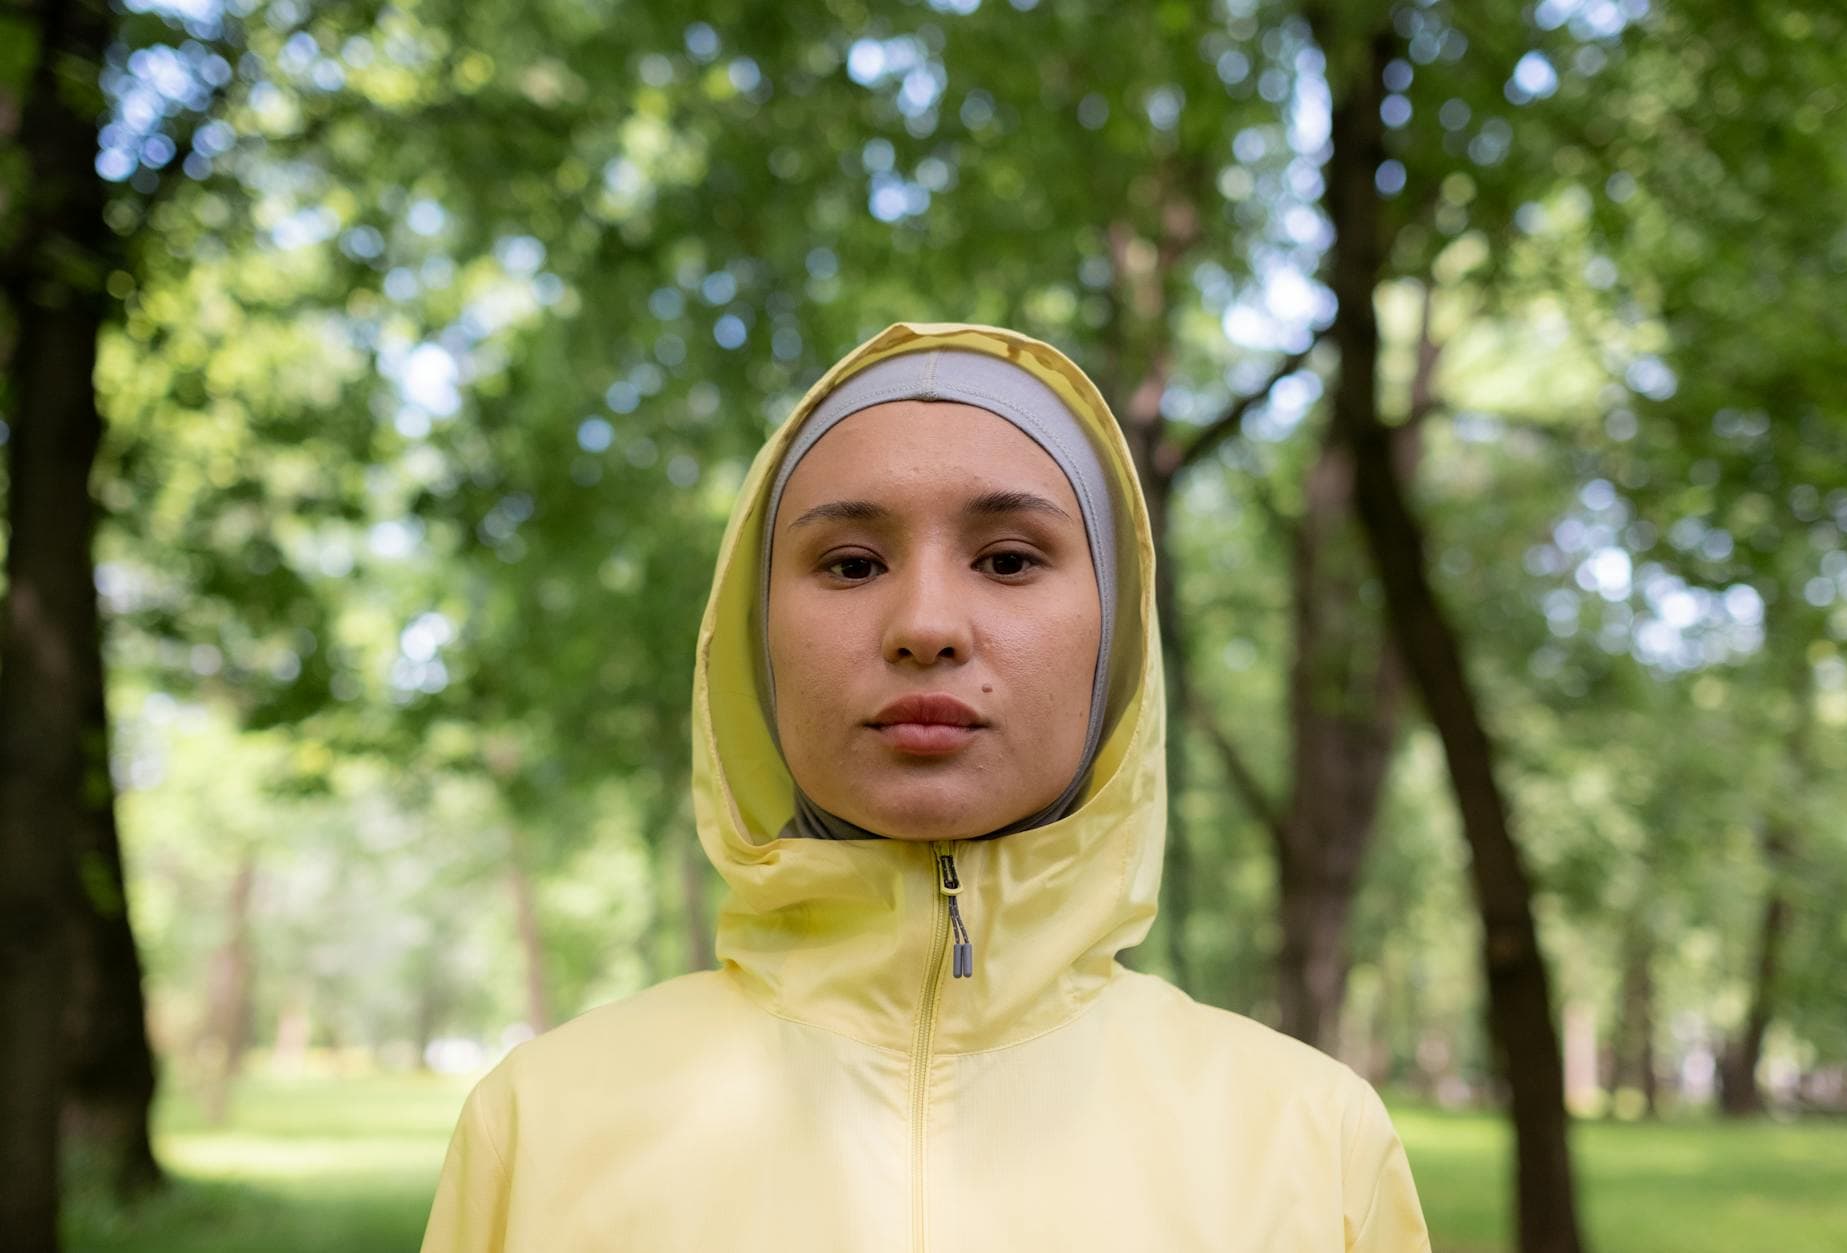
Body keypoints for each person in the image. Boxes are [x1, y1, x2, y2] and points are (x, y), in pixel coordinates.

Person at [419, 321, 1431, 1251]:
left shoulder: (1313, 1140)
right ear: (751, 638)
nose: (926, 622)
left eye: (1005, 557)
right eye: (853, 564)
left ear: (1114, 640)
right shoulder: (540, 1124)